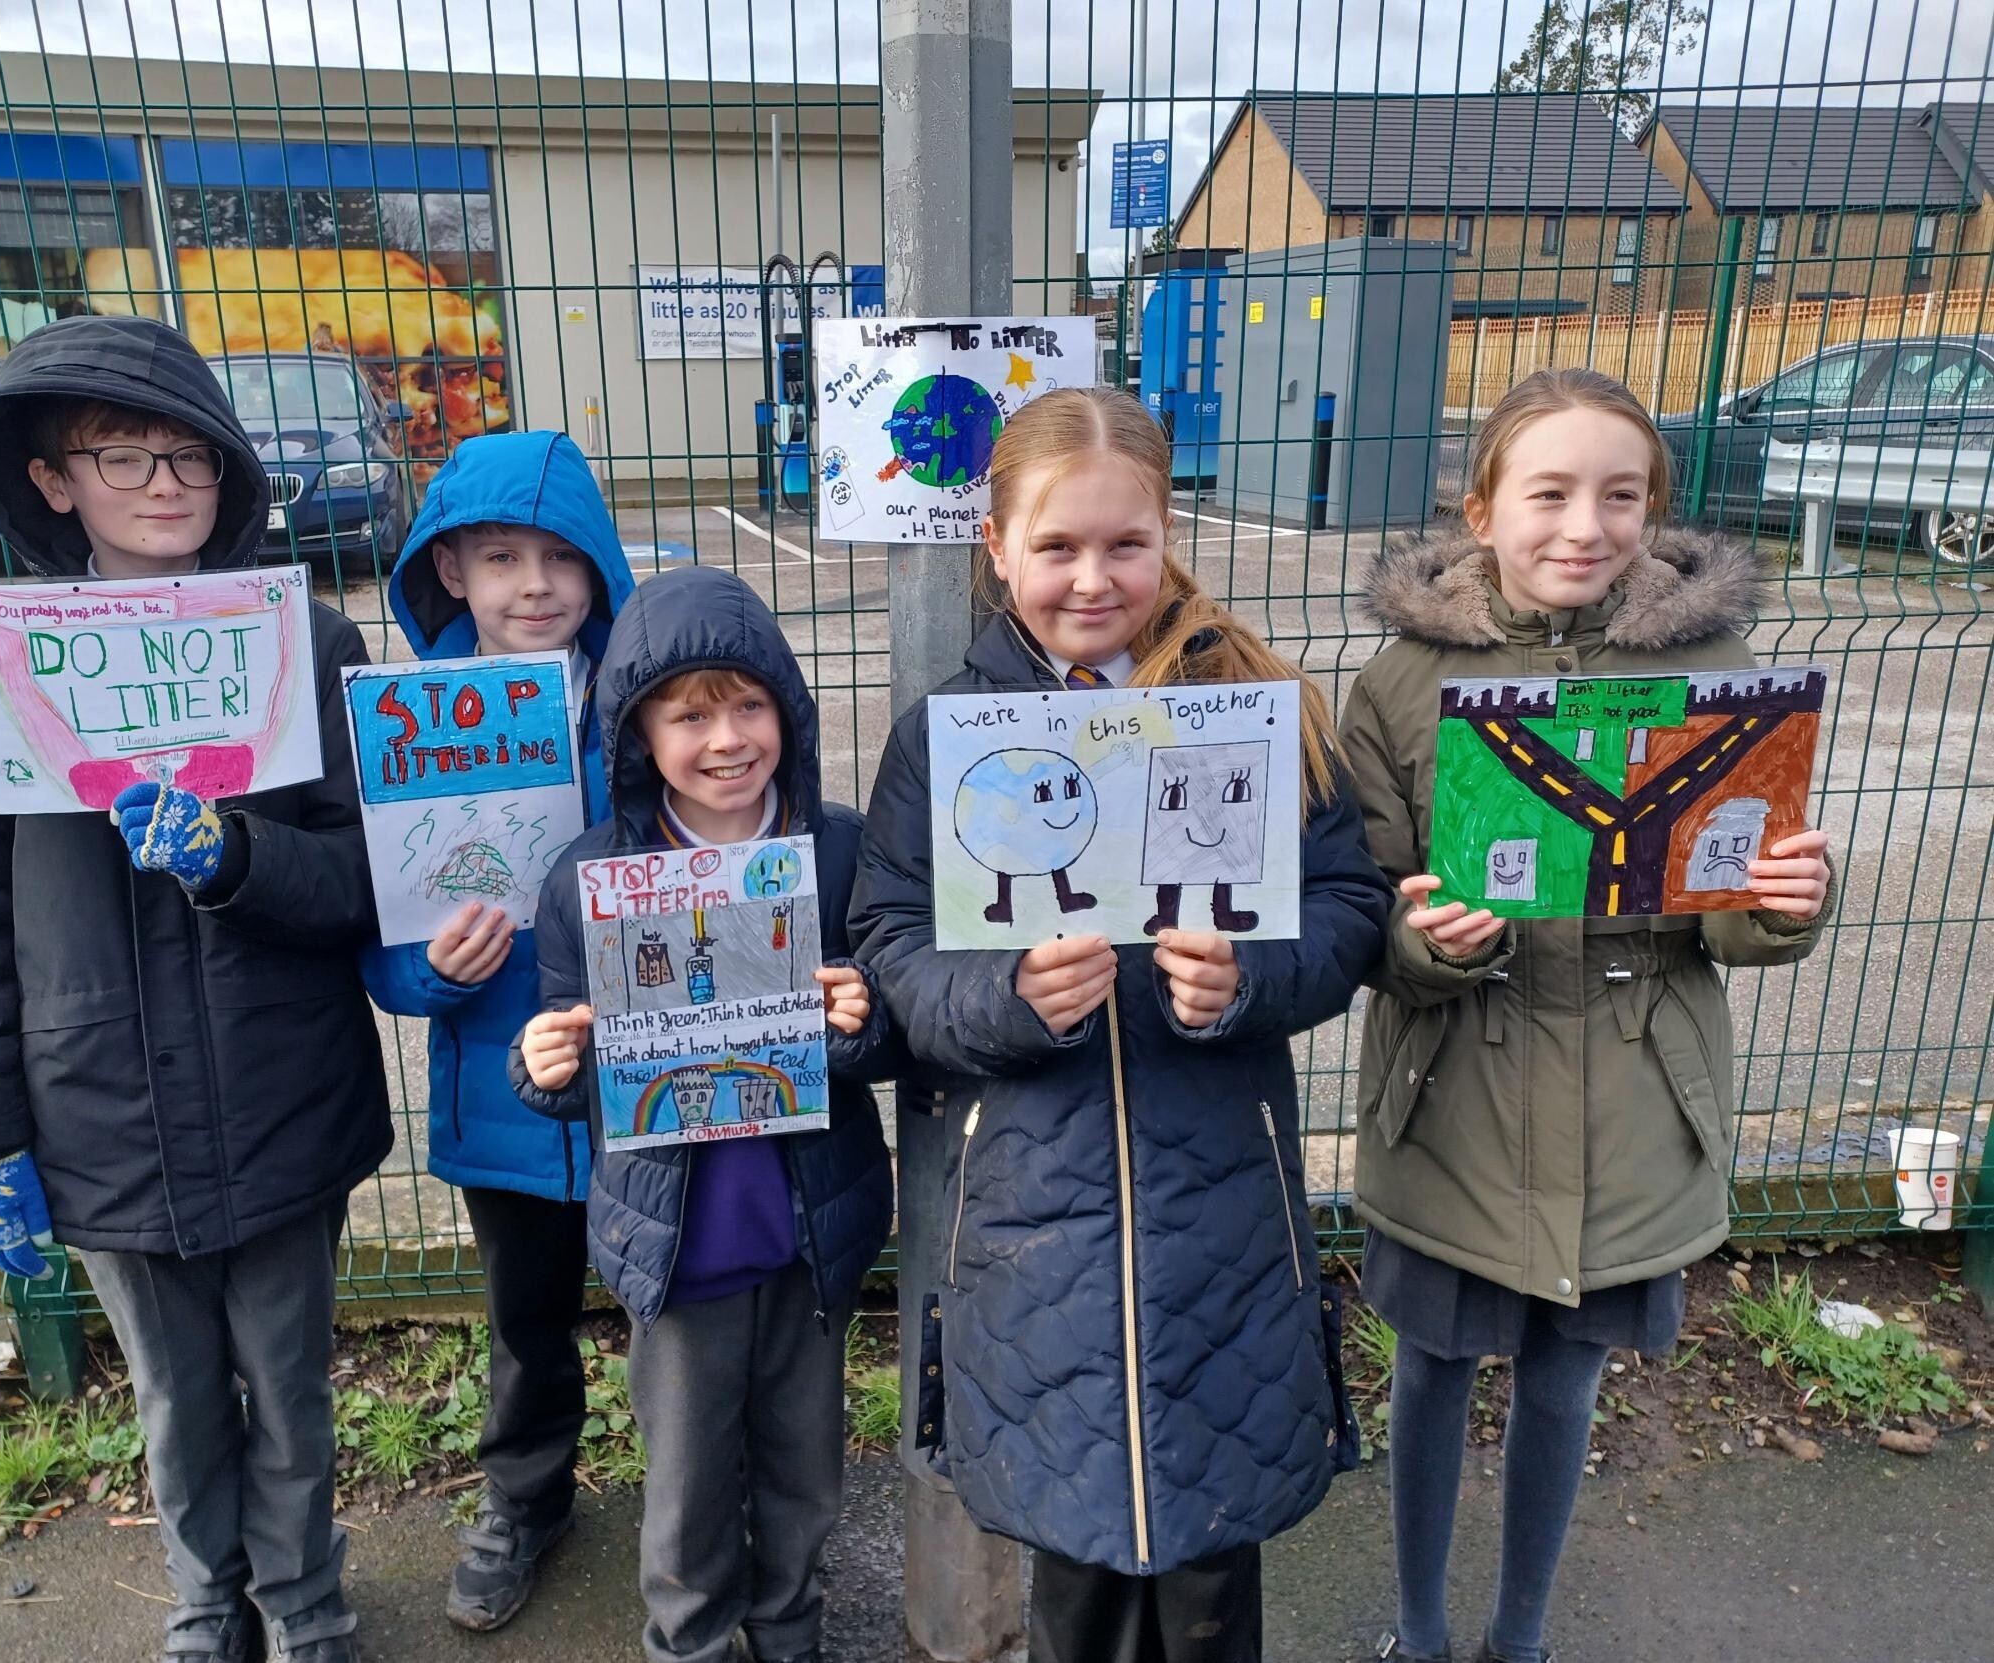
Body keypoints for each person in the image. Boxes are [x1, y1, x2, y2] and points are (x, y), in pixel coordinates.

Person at [849, 385, 1390, 1663]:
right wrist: (1005, 998)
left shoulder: (1252, 706)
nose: (1092, 578)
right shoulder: (945, 740)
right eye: (1056, 546)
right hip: (1035, 1221)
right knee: (1072, 1556)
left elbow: (1349, 905)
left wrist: (1250, 978)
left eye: (1125, 544)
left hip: (1222, 1208)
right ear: (996, 549)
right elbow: (891, 940)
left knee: (1212, 1566)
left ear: (1167, 535)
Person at [0, 314, 391, 1663]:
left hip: (282, 1094)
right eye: (124, 454)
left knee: (287, 1382)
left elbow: (367, 871)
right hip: (95, 1107)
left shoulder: (309, 642)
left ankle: (305, 1603)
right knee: (174, 1390)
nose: (166, 483)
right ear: (55, 478)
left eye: (192, 456)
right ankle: (201, 1602)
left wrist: (236, 856)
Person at [1341, 369, 1833, 1663]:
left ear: (1655, 512)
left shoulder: (1718, 677)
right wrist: (1419, 939)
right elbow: (1367, 901)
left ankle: (1520, 1634)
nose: (1583, 523)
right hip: (1455, 1088)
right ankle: (1418, 1628)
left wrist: (1781, 900)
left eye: (1620, 494)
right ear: (1482, 507)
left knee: (1567, 1379)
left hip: (1632, 1094)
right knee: (1433, 1371)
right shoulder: (1401, 681)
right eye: (1548, 491)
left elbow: (1727, 908)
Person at [509, 563, 896, 1663]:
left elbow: (894, 1028)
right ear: (639, 734)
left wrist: (857, 1020)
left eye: (748, 705)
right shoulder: (592, 875)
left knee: (804, 1470)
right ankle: (689, 1641)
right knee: (683, 1491)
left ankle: (789, 1631)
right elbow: (569, 1058)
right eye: (689, 715)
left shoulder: (839, 850)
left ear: (788, 712)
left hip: (811, 1229)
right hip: (677, 1250)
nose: (726, 738)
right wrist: (543, 1065)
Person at [357, 431, 634, 1631]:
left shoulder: (643, 701)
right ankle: (526, 1495)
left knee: (685, 1301)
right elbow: (380, 932)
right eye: (501, 557)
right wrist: (429, 971)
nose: (536, 585)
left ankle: (698, 1487)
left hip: (645, 1082)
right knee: (528, 1319)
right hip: (501, 1089)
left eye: (563, 557)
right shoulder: (415, 729)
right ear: (450, 573)